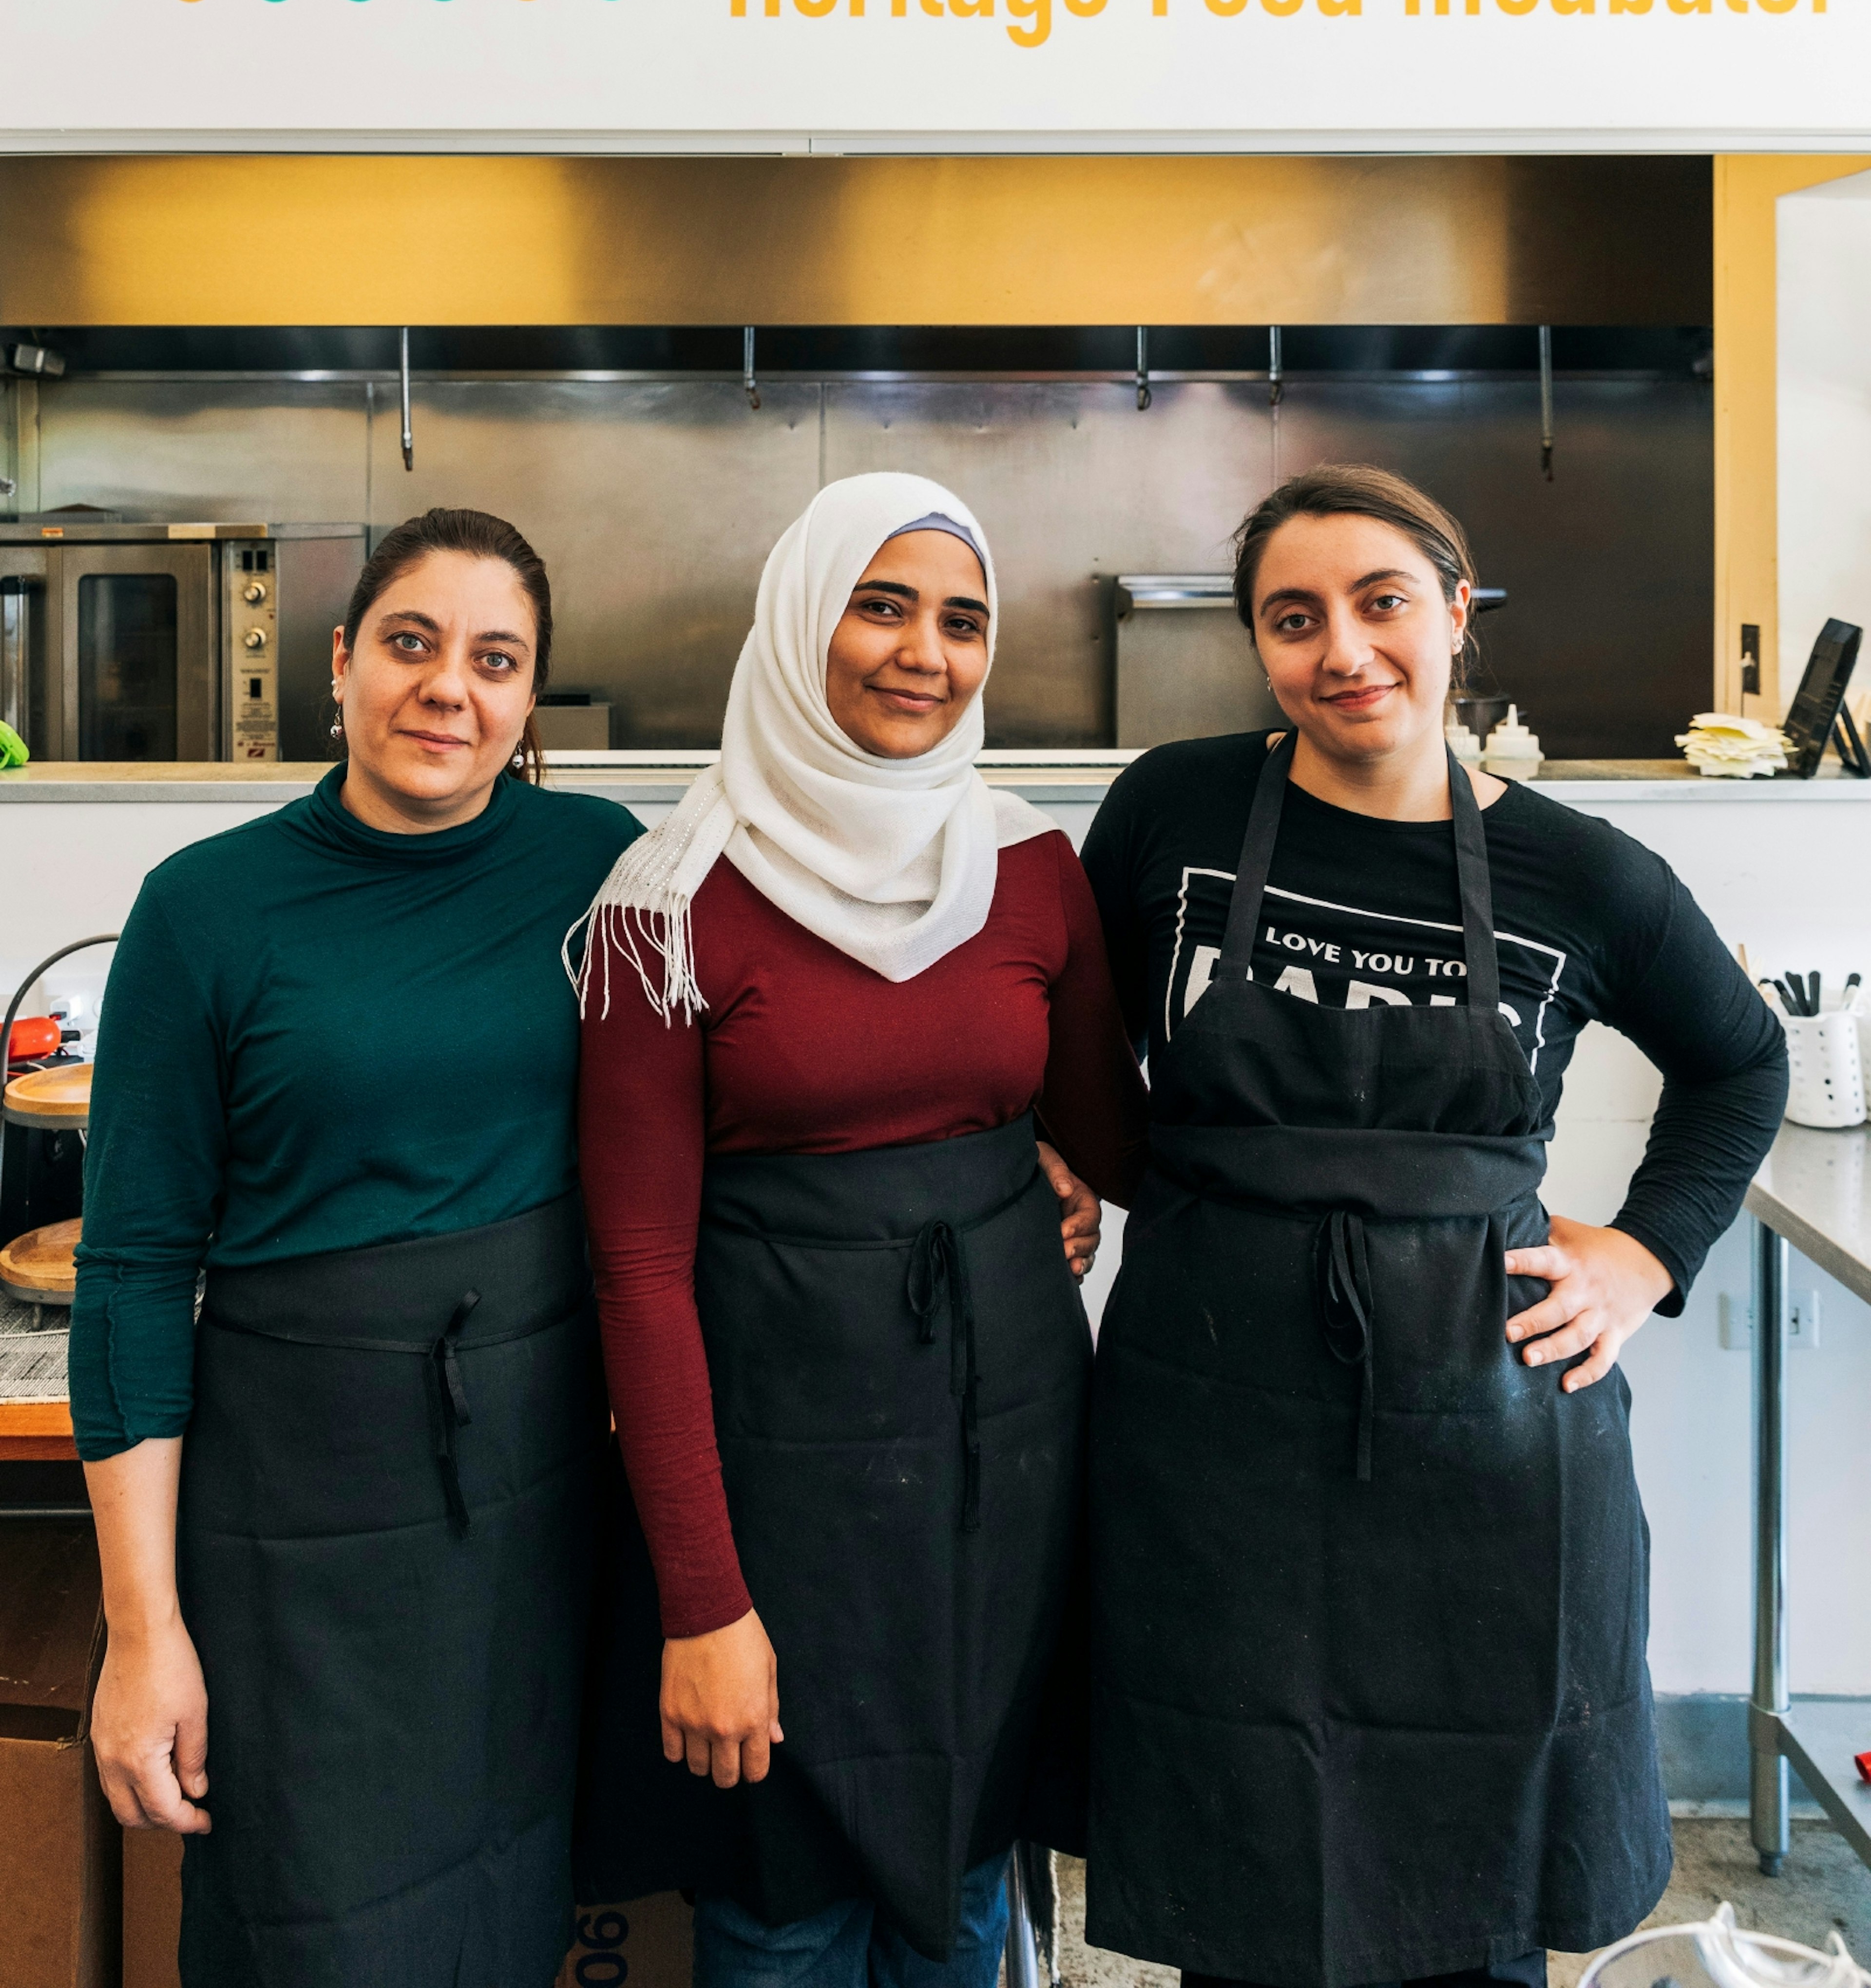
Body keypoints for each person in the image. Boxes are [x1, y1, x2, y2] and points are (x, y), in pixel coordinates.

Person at [1080, 463, 1788, 1988]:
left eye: (1382, 601)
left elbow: (1741, 1061)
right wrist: (1058, 1165)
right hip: (1213, 1426)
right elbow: (1076, 1048)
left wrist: (1645, 1251)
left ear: (1457, 614)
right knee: (1244, 1865)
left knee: (1474, 1882)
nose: (1343, 648)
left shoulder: (1583, 873)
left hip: (1486, 1439)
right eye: (1294, 617)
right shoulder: (1172, 811)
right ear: (1257, 645)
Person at [574, 471, 1147, 1988]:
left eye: (962, 621)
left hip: (1004, 1458)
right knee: (786, 1899)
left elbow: (1116, 1141)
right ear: (796, 621)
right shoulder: (666, 906)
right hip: (777, 1478)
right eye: (879, 606)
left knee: (966, 1878)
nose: (925, 653)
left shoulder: (1031, 869)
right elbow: (635, 1267)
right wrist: (703, 1601)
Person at [74, 506, 643, 1988]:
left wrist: (1019, 1137)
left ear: (529, 698)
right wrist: (144, 1639)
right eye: (412, 642)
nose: (449, 687)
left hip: (527, 1507)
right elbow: (132, 1275)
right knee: (313, 1927)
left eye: (495, 658)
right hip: (296, 1526)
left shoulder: (607, 869)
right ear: (340, 661)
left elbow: (745, 1086)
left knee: (511, 1906)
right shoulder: (204, 911)